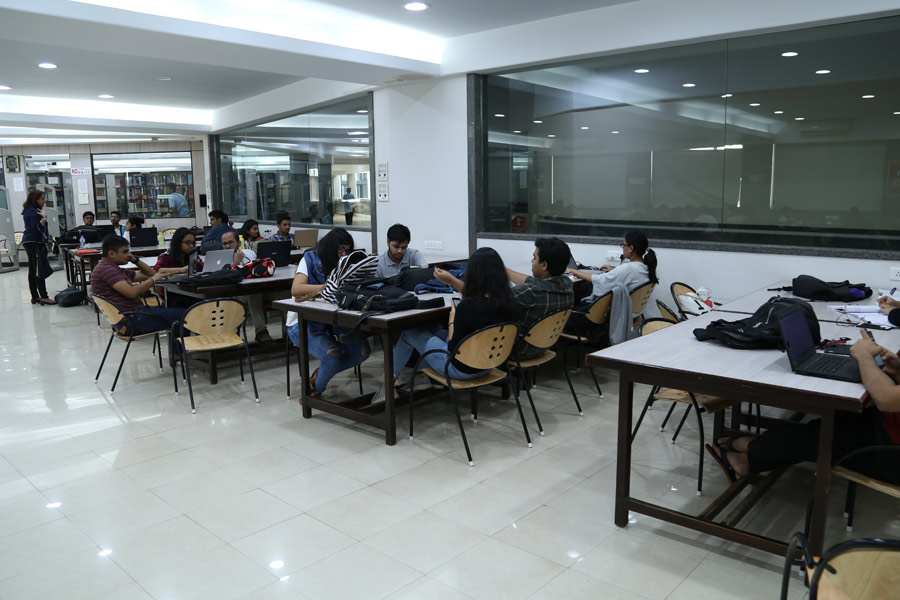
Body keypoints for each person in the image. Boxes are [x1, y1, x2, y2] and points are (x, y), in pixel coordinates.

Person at [708, 329, 900, 486]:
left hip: (890, 453)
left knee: (791, 437)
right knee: (818, 429)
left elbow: (886, 399)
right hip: (886, 427)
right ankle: (757, 447)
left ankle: (747, 460)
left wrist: (865, 357)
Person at [374, 247, 522, 402]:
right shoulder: (511, 303)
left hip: (460, 370)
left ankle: (387, 386)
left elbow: (452, 347)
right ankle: (420, 378)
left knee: (408, 333)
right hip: (489, 364)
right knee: (428, 331)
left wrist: (452, 318)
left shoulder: (467, 307)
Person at [286, 228, 369, 397]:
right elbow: (296, 289)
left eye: (347, 250)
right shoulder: (310, 258)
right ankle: (315, 391)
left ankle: (322, 373)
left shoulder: (345, 263)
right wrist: (326, 288)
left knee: (362, 351)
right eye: (340, 249)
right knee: (333, 355)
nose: (343, 254)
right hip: (302, 322)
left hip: (334, 320)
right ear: (330, 247)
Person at [90, 235, 185, 336]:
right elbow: (132, 293)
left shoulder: (113, 269)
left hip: (132, 315)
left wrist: (135, 260)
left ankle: (179, 345)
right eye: (125, 252)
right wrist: (153, 280)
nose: (129, 255)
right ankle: (180, 346)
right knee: (183, 315)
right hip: (130, 320)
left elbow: (150, 273)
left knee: (177, 311)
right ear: (111, 253)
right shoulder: (107, 270)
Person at [505, 237, 575, 359]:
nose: (532, 261)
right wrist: (504, 270)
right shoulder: (567, 283)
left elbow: (495, 300)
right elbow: (529, 281)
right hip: (545, 345)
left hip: (519, 350)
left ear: (544, 265)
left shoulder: (531, 291)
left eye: (534, 257)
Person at [221, 231, 281, 342]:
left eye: (231, 242)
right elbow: (226, 279)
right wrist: (236, 263)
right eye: (225, 244)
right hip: (238, 293)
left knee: (286, 293)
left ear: (239, 243)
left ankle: (290, 331)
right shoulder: (220, 259)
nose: (228, 246)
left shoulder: (249, 253)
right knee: (254, 294)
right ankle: (261, 332)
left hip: (262, 289)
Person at [567, 231, 658, 302]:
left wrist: (574, 271)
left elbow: (599, 280)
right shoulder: (644, 267)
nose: (623, 248)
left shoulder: (628, 269)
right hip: (632, 309)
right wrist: (614, 270)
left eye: (623, 245)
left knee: (578, 290)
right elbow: (626, 274)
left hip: (611, 310)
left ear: (631, 248)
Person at [21, 190, 56, 305]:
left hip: (29, 241)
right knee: (39, 269)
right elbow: (38, 229)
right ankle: (44, 296)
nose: (44, 201)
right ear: (35, 199)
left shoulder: (28, 210)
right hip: (35, 242)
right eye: (42, 199)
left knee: (33, 269)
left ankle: (35, 296)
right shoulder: (35, 213)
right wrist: (44, 219)